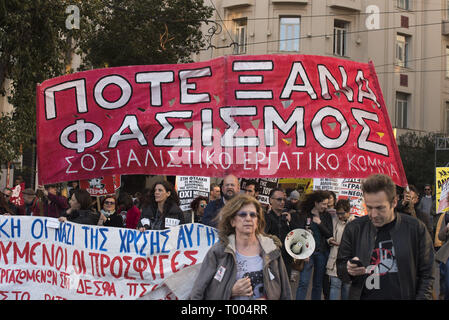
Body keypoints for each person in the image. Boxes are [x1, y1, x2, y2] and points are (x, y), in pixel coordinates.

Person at [336, 174, 435, 300]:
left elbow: (427, 275)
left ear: (394, 202)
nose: (373, 214)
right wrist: (348, 269)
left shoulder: (415, 229)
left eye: (380, 208)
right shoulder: (354, 228)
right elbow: (341, 269)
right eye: (369, 207)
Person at [189, 194, 292, 300]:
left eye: (253, 215)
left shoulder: (271, 250)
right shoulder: (218, 252)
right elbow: (199, 293)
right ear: (232, 221)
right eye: (242, 215)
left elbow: (285, 292)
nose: (248, 219)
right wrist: (230, 291)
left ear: (258, 221)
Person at [295, 190, 333, 300]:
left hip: (321, 253)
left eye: (327, 204)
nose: (326, 206)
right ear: (316, 203)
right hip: (308, 254)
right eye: (324, 204)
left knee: (318, 284)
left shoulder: (326, 216)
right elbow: (299, 233)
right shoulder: (305, 214)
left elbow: (329, 234)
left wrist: (320, 223)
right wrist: (303, 252)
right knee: (303, 282)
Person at [264, 187, 301, 278]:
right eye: (279, 199)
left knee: (285, 289)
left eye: (284, 199)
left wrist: (291, 221)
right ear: (271, 200)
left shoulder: (288, 217)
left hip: (286, 261)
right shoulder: (266, 218)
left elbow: (298, 236)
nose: (282, 202)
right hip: (271, 260)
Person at [326, 199, 354, 300]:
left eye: (342, 213)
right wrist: (330, 240)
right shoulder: (334, 221)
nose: (340, 216)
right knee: (334, 285)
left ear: (348, 211)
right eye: (338, 213)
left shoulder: (355, 223)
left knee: (346, 287)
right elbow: (329, 235)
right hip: (334, 259)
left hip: (348, 260)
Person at [436, 212, 449, 300]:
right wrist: (447, 228)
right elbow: (440, 237)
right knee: (446, 285)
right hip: (447, 257)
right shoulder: (446, 216)